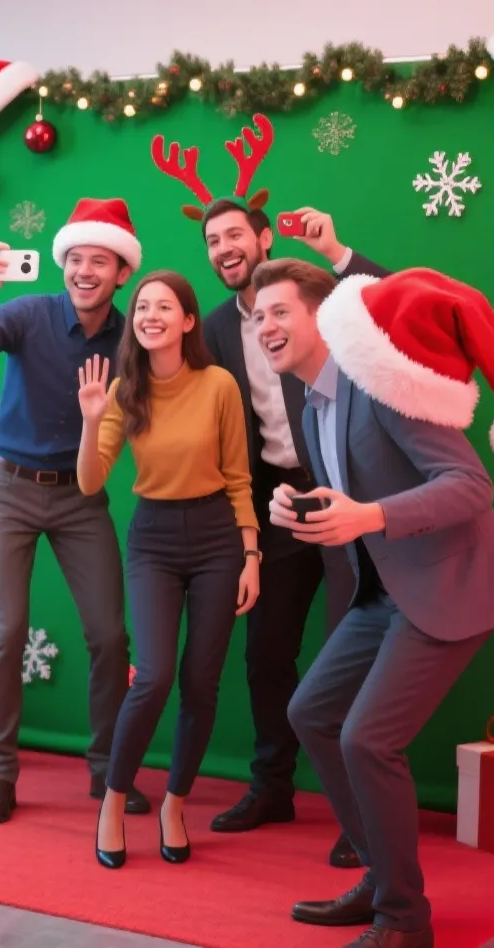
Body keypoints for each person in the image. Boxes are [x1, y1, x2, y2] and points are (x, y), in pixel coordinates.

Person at [250, 259, 494, 948]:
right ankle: (383, 878)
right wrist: (294, 506)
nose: (265, 325)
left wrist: (371, 516)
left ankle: (404, 920)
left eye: (279, 311)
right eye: (256, 315)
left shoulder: (378, 382)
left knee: (368, 738)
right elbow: (349, 496)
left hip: (450, 582)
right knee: (311, 715)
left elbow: (471, 485)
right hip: (384, 588)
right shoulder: (306, 398)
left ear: (322, 316)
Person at [153, 118, 390, 861]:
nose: (224, 250)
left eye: (235, 237)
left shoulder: (311, 295)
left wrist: (336, 251)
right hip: (277, 506)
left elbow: (382, 300)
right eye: (212, 243)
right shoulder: (217, 329)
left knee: (352, 646)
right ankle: (272, 786)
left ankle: (362, 807)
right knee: (267, 654)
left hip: (351, 497)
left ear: (262, 237)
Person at [0, 198, 151, 826]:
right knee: (6, 631)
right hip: (9, 489)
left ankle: (108, 770)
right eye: (76, 258)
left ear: (121, 272)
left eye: (100, 261)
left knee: (109, 635)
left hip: (83, 495)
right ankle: (0, 774)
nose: (86, 270)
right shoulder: (29, 314)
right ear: (64, 264)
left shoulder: (132, 333)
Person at [74, 270, 258, 869]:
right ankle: (113, 799)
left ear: (187, 320)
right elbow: (90, 480)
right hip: (152, 538)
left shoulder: (219, 385)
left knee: (201, 682)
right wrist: (90, 418)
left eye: (165, 306)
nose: (150, 314)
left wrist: (251, 554)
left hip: (217, 540)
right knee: (152, 676)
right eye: (143, 306)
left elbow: (238, 477)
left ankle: (176, 803)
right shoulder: (124, 391)